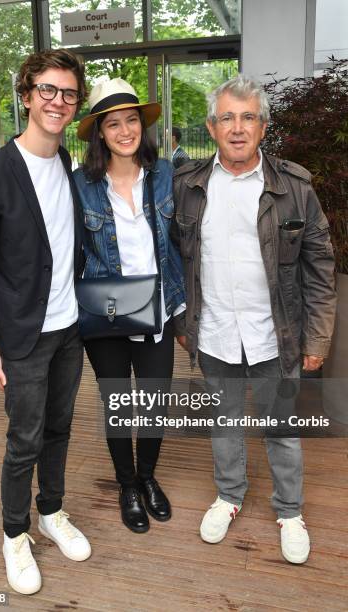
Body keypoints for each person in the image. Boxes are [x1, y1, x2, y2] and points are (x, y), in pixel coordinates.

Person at [172, 75, 336, 564]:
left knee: (281, 427)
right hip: (216, 332)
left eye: (248, 118)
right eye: (227, 118)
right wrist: (184, 324)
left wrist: (318, 335)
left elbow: (320, 266)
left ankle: (289, 510)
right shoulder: (188, 186)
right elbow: (174, 261)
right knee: (224, 424)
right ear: (212, 126)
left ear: (263, 127)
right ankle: (228, 495)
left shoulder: (294, 187)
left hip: (275, 335)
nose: (237, 128)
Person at [0, 49, 91, 596]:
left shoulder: (69, 165)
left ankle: (51, 512)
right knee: (25, 439)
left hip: (70, 328)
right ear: (26, 96)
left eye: (67, 93)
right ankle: (14, 533)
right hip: (22, 335)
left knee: (60, 429)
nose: (57, 101)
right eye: (47, 90)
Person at [73, 78, 186, 534]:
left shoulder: (166, 175)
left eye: (132, 120)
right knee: (118, 403)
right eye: (113, 123)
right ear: (100, 132)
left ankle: (148, 478)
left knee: (155, 402)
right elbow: (67, 249)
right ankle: (127, 486)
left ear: (143, 125)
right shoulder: (80, 184)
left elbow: (184, 240)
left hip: (158, 309)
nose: (125, 130)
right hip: (107, 313)